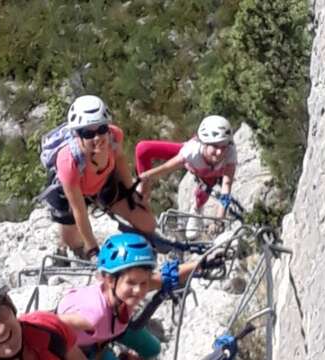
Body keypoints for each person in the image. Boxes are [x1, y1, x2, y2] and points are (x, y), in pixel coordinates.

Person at [56, 232, 223, 360]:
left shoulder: (123, 291)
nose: (138, 290)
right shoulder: (93, 315)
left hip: (113, 325)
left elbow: (164, 278)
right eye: (131, 283)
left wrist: (200, 264)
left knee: (153, 349)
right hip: (87, 346)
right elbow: (56, 327)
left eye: (143, 283)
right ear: (109, 279)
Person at [42, 95, 156, 261]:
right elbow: (78, 210)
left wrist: (132, 194)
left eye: (102, 129)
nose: (97, 138)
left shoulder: (114, 137)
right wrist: (93, 250)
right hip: (68, 193)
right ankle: (66, 247)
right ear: (77, 135)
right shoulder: (68, 160)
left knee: (148, 224)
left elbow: (120, 161)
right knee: (73, 242)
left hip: (102, 182)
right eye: (88, 133)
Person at [135, 115, 237, 239]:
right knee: (143, 148)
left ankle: (197, 210)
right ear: (204, 143)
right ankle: (143, 200)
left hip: (210, 174)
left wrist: (218, 220)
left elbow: (226, 187)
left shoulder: (230, 152)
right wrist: (147, 176)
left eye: (223, 146)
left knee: (203, 190)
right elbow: (167, 167)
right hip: (192, 162)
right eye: (215, 146)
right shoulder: (191, 151)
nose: (220, 152)